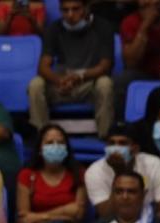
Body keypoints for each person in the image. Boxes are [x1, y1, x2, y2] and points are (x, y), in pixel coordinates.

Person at [29, 0, 116, 141]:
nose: (70, 15)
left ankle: (105, 138)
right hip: (61, 85)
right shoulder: (54, 28)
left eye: (76, 9)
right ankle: (43, 138)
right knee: (35, 84)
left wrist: (79, 77)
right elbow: (43, 66)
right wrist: (59, 80)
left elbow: (105, 65)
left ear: (87, 8)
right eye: (65, 10)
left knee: (105, 83)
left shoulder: (103, 27)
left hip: (88, 84)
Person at [85, 126, 160, 222]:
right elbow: (106, 216)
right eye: (111, 143)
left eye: (122, 143)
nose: (115, 149)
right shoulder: (94, 172)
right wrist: (119, 172)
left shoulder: (153, 164)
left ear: (135, 149)